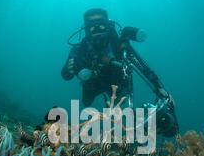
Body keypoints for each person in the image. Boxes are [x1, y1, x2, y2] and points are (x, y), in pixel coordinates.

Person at [61, 8, 179, 137]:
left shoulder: (118, 44)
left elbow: (141, 66)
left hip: (117, 83)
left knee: (121, 107)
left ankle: (138, 125)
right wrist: (69, 69)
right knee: (87, 102)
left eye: (101, 25)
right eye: (92, 27)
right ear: (86, 29)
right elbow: (65, 75)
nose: (97, 30)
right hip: (93, 83)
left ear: (108, 25)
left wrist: (159, 88)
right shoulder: (80, 49)